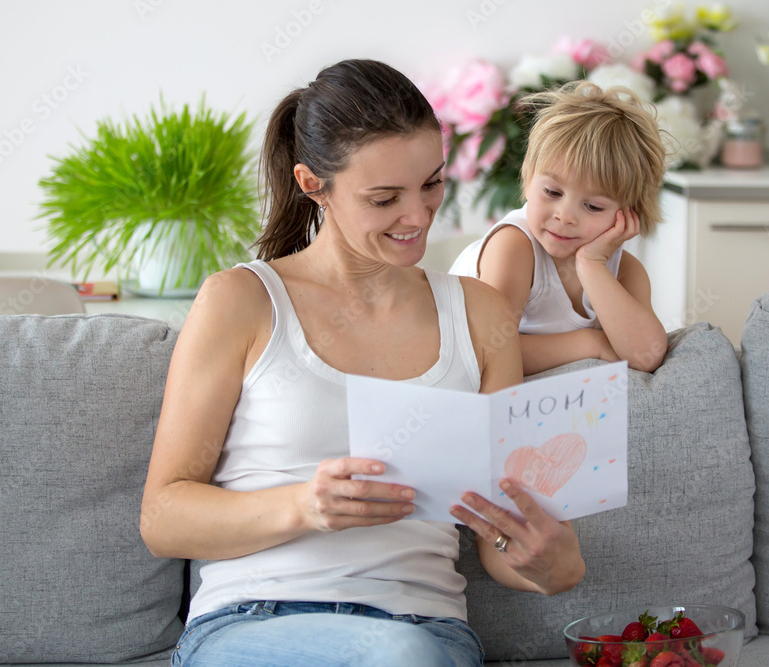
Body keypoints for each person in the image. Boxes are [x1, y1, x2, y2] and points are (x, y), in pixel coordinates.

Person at [140, 59, 585, 667]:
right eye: (384, 198)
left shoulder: (480, 315)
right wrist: (303, 505)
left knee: (402, 653)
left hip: (426, 632)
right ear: (310, 183)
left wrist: (548, 563)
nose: (420, 215)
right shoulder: (241, 302)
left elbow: (497, 536)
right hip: (255, 623)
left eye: (432, 183)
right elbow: (163, 517)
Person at [449, 82, 668, 376]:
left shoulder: (626, 271)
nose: (565, 216)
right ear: (528, 180)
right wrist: (592, 343)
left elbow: (646, 357)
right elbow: (486, 352)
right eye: (552, 192)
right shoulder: (513, 247)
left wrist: (591, 264)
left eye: (593, 207)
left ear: (628, 214)